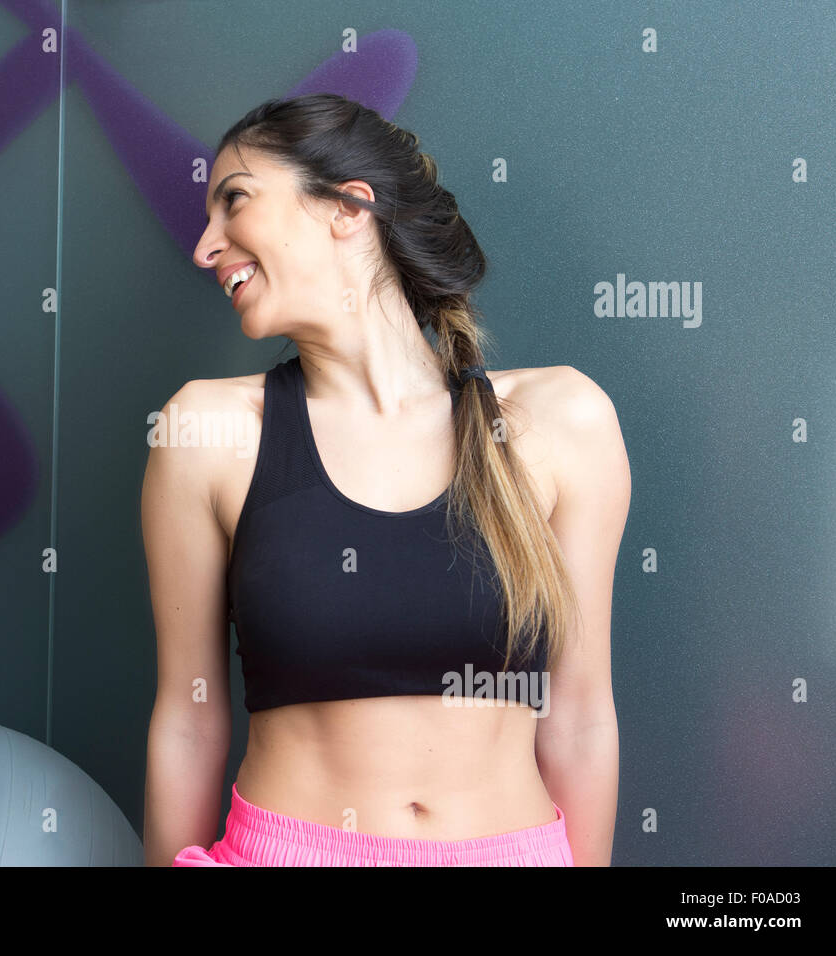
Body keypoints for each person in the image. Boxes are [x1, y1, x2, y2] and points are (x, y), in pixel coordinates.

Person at [142, 94, 629, 866]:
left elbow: (578, 715)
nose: (205, 248)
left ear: (348, 207)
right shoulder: (207, 432)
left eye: (232, 200)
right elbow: (188, 719)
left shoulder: (563, 420)